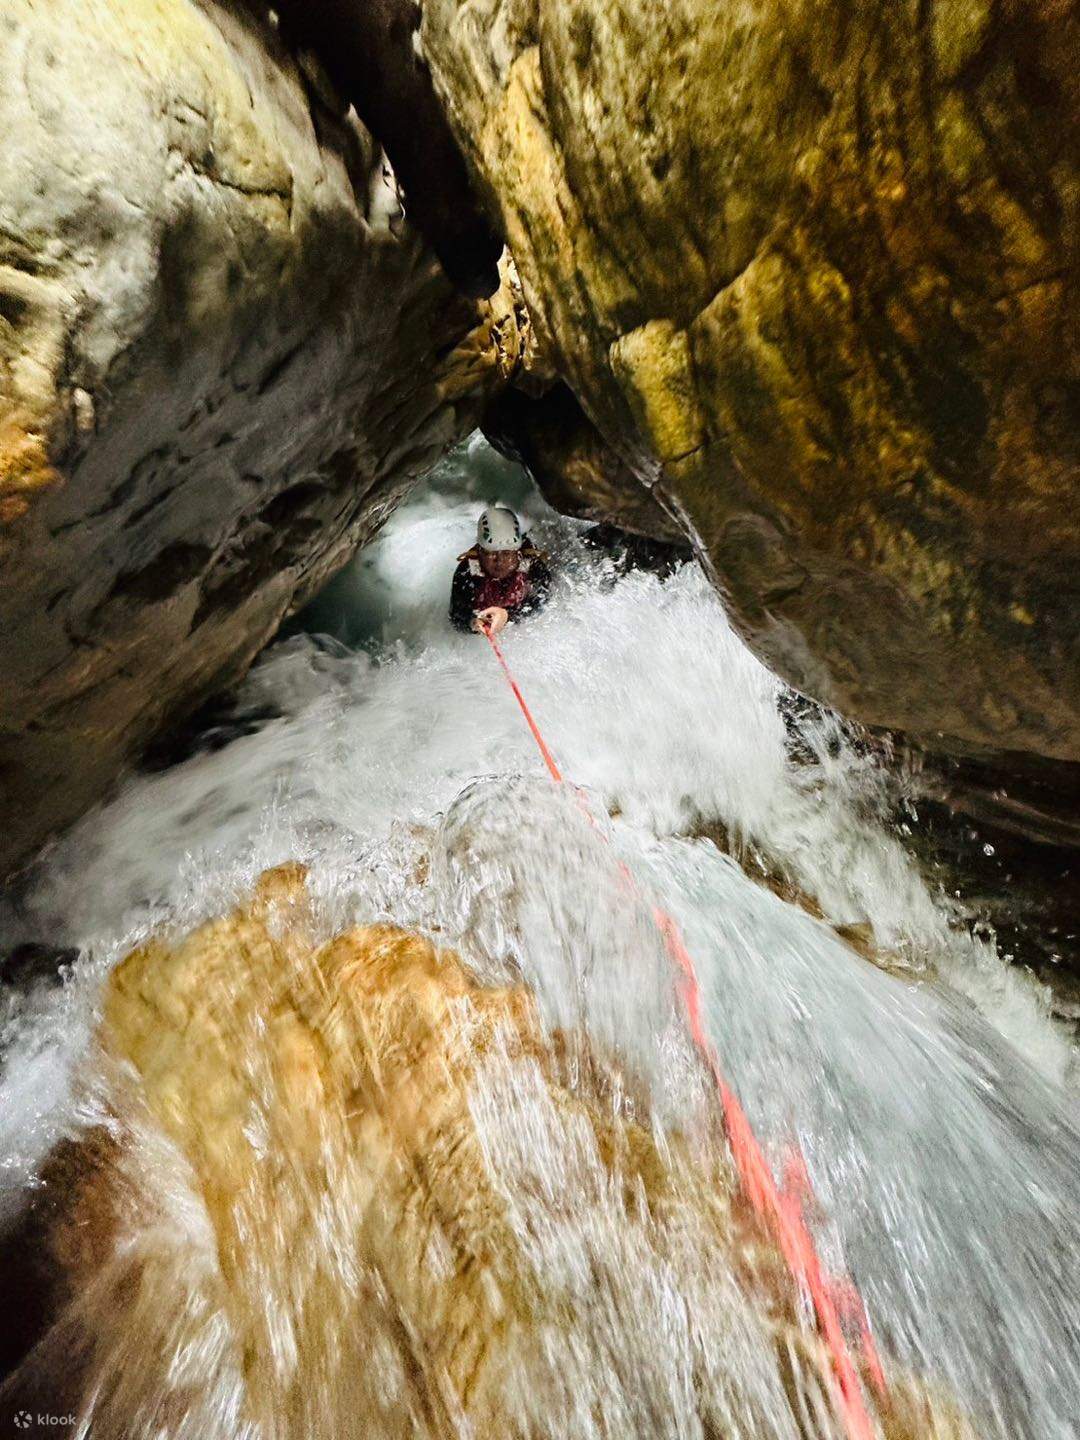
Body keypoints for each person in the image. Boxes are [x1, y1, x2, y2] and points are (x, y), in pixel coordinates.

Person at [450, 506, 552, 635]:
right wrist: (473, 622)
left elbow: (543, 604)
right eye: (491, 553)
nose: (499, 561)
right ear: (480, 552)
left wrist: (507, 616)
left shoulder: (533, 566)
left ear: (518, 553)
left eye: (507, 553)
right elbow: (456, 617)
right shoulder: (466, 572)